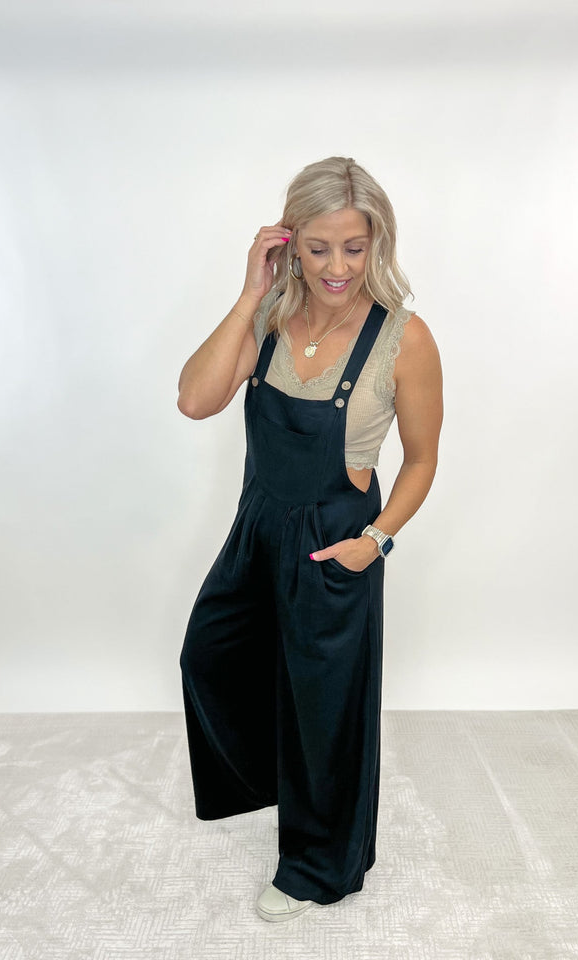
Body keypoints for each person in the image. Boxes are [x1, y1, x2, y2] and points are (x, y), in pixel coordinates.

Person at [177, 156, 443, 922]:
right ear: (289, 242)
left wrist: (377, 541)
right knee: (209, 656)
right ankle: (282, 788)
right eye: (319, 247)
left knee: (326, 710)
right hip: (257, 527)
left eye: (355, 247)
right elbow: (195, 399)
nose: (337, 267)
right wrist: (249, 293)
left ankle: (318, 867)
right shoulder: (268, 318)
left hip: (336, 539)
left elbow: (421, 460)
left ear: (377, 243)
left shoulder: (403, 339)